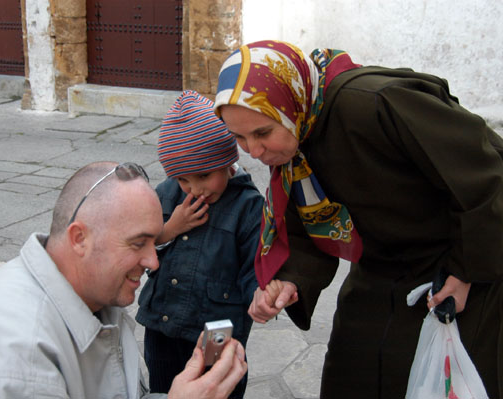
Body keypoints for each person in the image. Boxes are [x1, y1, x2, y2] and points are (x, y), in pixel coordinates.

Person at [212, 40, 503, 398]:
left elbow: (487, 178)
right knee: (351, 375)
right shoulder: (297, 132)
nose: (254, 152)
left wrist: (465, 271)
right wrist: (290, 280)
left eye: (262, 133)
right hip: (378, 269)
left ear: (292, 102)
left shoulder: (377, 103)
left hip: (460, 262)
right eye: (239, 137)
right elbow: (307, 224)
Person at [0, 161, 247, 399]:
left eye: (154, 241)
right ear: (79, 238)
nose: (153, 260)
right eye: (138, 242)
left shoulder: (97, 301)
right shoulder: (15, 362)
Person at [135, 90, 264, 398]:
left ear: (227, 160)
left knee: (217, 386)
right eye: (183, 180)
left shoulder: (248, 207)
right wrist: (170, 228)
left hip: (217, 330)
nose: (195, 189)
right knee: (165, 388)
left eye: (204, 175)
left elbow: (253, 270)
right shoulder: (166, 194)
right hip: (162, 321)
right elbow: (141, 246)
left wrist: (261, 294)